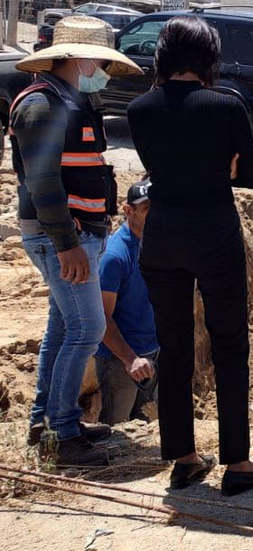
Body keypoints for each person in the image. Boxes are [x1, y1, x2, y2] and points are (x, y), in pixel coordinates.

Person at [125, 16, 253, 496]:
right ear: (208, 57)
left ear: (164, 55)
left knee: (173, 349)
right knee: (230, 344)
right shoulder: (226, 105)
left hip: (163, 236)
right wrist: (222, 170)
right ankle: (238, 463)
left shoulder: (139, 108)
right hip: (214, 234)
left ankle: (185, 458)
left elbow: (161, 171)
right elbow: (251, 176)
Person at [9, 16, 142, 466]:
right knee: (88, 328)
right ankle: (62, 434)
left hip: (77, 233)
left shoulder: (71, 100)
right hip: (62, 236)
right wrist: (67, 244)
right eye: (99, 62)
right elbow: (43, 184)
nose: (102, 71)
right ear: (79, 58)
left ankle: (46, 419)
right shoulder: (41, 106)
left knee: (64, 327)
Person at [96, 179, 159, 425]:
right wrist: (130, 359)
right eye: (146, 208)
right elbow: (101, 317)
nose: (154, 214)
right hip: (119, 361)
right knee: (117, 432)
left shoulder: (157, 242)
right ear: (128, 210)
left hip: (152, 352)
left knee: (146, 429)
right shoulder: (115, 256)